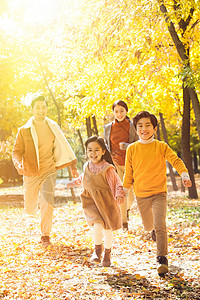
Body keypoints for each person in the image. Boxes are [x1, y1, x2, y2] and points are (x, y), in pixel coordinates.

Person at [123, 111, 192, 275]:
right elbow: (128, 173)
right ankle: (153, 230)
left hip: (159, 193)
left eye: (148, 125)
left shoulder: (161, 146)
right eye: (140, 126)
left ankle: (162, 259)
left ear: (154, 128)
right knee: (149, 226)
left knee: (160, 225)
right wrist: (123, 191)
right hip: (141, 194)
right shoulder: (132, 149)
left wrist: (184, 174)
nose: (144, 129)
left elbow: (175, 160)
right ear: (136, 129)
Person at [12, 96, 79, 247]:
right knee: (30, 207)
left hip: (49, 170)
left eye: (43, 107)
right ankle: (36, 220)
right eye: (38, 107)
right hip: (30, 172)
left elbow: (65, 148)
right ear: (32, 109)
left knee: (47, 203)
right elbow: (16, 151)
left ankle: (45, 235)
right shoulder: (24, 130)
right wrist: (18, 165)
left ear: (46, 108)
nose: (41, 110)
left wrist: (73, 168)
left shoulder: (53, 126)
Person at [66, 136, 125, 267]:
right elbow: (83, 178)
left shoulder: (107, 168)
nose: (93, 154)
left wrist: (119, 194)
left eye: (97, 150)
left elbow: (116, 183)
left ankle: (107, 254)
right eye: (90, 150)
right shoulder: (87, 166)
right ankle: (97, 251)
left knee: (107, 229)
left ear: (103, 151)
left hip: (107, 203)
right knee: (97, 224)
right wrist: (72, 183)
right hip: (91, 202)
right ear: (86, 152)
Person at [104, 100, 138, 230]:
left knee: (131, 196)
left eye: (122, 111)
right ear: (113, 112)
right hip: (116, 164)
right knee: (122, 193)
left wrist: (127, 146)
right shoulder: (108, 128)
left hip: (131, 164)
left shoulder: (133, 126)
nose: (119, 114)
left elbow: (138, 144)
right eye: (116, 111)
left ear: (126, 111)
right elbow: (106, 146)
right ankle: (123, 222)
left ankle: (127, 209)